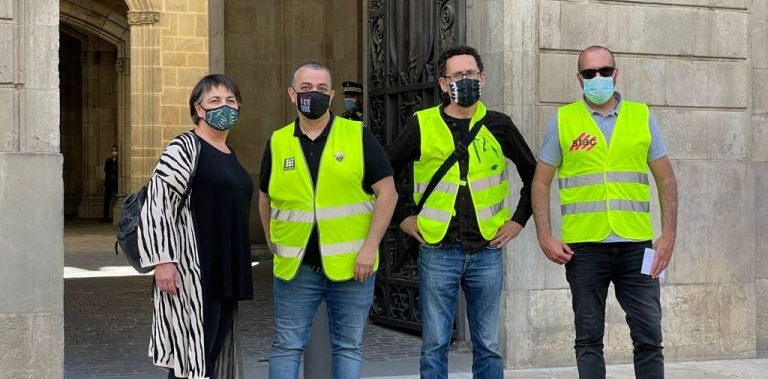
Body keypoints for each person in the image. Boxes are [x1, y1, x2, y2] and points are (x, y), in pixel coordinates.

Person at [388, 45, 536, 379]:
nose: (465, 80)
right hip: (438, 249)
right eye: (457, 75)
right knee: (435, 343)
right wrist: (403, 217)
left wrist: (517, 221)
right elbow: (383, 174)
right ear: (443, 84)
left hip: (486, 250)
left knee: (487, 344)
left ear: (482, 78)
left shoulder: (500, 125)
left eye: (470, 74)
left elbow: (533, 174)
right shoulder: (421, 124)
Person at [531, 45, 678, 379]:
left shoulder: (642, 116)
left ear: (616, 73)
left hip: (637, 244)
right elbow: (540, 183)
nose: (597, 78)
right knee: (587, 340)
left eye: (604, 71)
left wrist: (668, 235)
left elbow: (666, 178)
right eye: (589, 73)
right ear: (579, 78)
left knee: (649, 339)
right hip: (583, 249)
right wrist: (544, 235)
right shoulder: (564, 120)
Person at [259, 61, 397, 379]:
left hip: (352, 268)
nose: (314, 94)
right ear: (292, 95)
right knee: (286, 347)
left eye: (322, 89)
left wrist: (369, 248)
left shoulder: (356, 135)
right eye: (306, 88)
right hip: (296, 268)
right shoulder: (278, 142)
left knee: (348, 347)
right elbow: (264, 197)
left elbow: (387, 193)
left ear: (332, 95)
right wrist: (270, 239)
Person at [138, 74, 254, 379]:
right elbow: (158, 203)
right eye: (214, 100)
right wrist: (163, 261)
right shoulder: (185, 146)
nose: (224, 106)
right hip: (195, 271)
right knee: (192, 356)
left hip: (226, 271)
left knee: (211, 353)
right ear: (198, 110)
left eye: (230, 100)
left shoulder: (230, 153)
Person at [102, 145, 118, 222]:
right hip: (109, 183)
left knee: (117, 199)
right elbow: (106, 170)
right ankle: (106, 217)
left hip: (116, 183)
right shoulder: (108, 161)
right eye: (113, 151)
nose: (114, 152)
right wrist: (112, 175)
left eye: (115, 151)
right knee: (107, 200)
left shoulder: (120, 161)